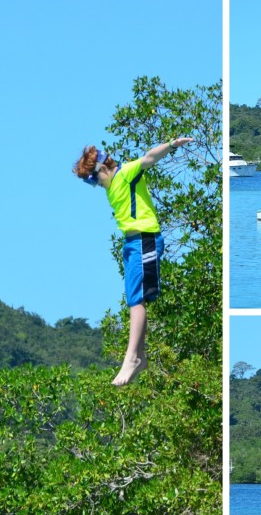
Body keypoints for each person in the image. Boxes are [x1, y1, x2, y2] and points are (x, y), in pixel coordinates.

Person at [73, 138, 194, 386]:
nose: (95, 185)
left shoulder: (126, 173)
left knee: (136, 301)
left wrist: (172, 145)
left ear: (103, 167)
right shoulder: (111, 186)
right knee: (133, 299)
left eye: (93, 179)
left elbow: (149, 158)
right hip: (131, 245)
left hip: (145, 240)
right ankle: (139, 357)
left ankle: (132, 358)